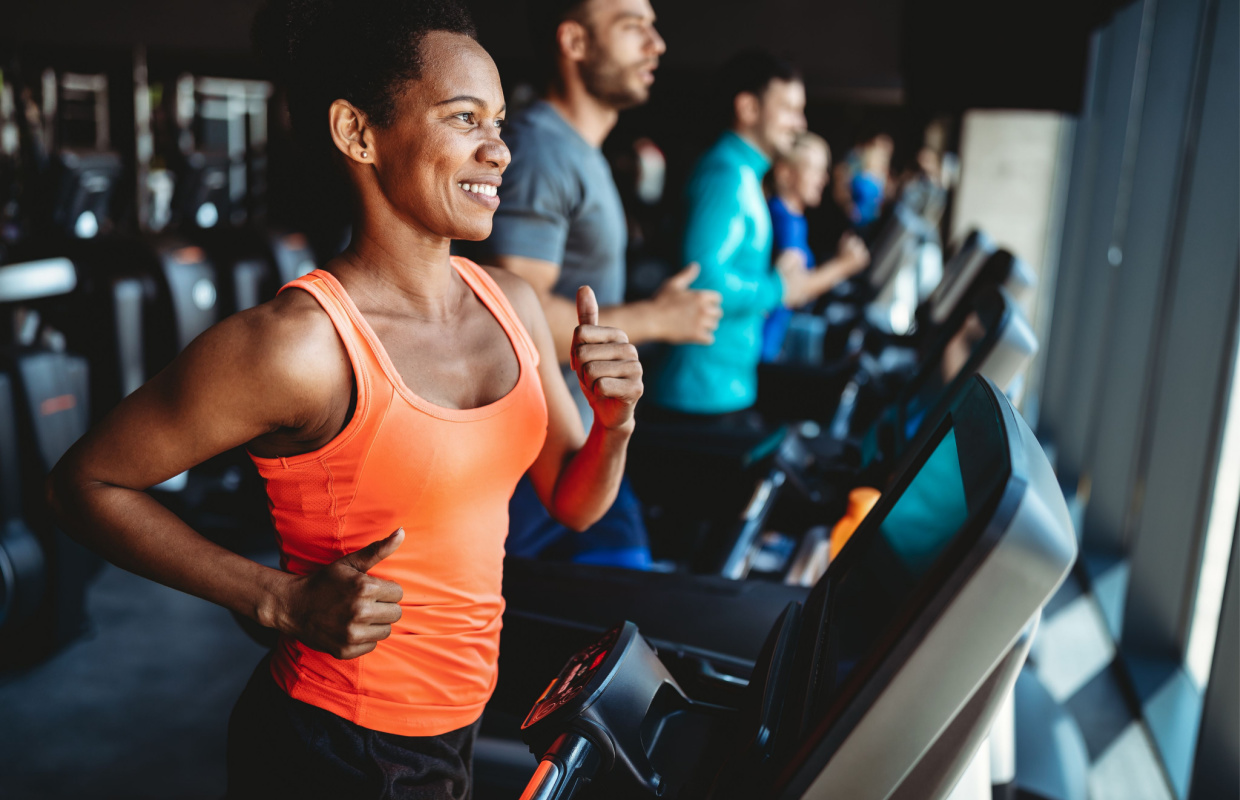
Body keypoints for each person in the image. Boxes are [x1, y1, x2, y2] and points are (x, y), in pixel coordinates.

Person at [45, 2, 643, 796]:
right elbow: (83, 484)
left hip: (453, 724)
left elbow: (573, 504)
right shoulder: (300, 345)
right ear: (358, 133)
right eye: (464, 118)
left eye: (498, 121)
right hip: (337, 745)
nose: (498, 149)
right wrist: (275, 599)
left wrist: (614, 422)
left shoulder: (512, 303)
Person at [480, 0, 721, 567]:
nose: (656, 44)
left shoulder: (577, 150)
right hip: (539, 464)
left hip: (585, 439)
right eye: (633, 27)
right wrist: (658, 319)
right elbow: (519, 308)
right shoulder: (541, 150)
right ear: (575, 43)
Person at [649, 50, 860, 422]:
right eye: (789, 109)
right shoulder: (726, 175)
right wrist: (779, 287)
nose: (800, 122)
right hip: (701, 392)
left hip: (721, 386)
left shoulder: (744, 174)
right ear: (748, 108)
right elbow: (703, 280)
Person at [763, 130, 870, 362]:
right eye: (815, 169)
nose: (824, 179)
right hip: (764, 352)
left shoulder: (794, 218)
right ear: (786, 173)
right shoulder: (784, 220)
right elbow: (793, 292)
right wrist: (844, 265)